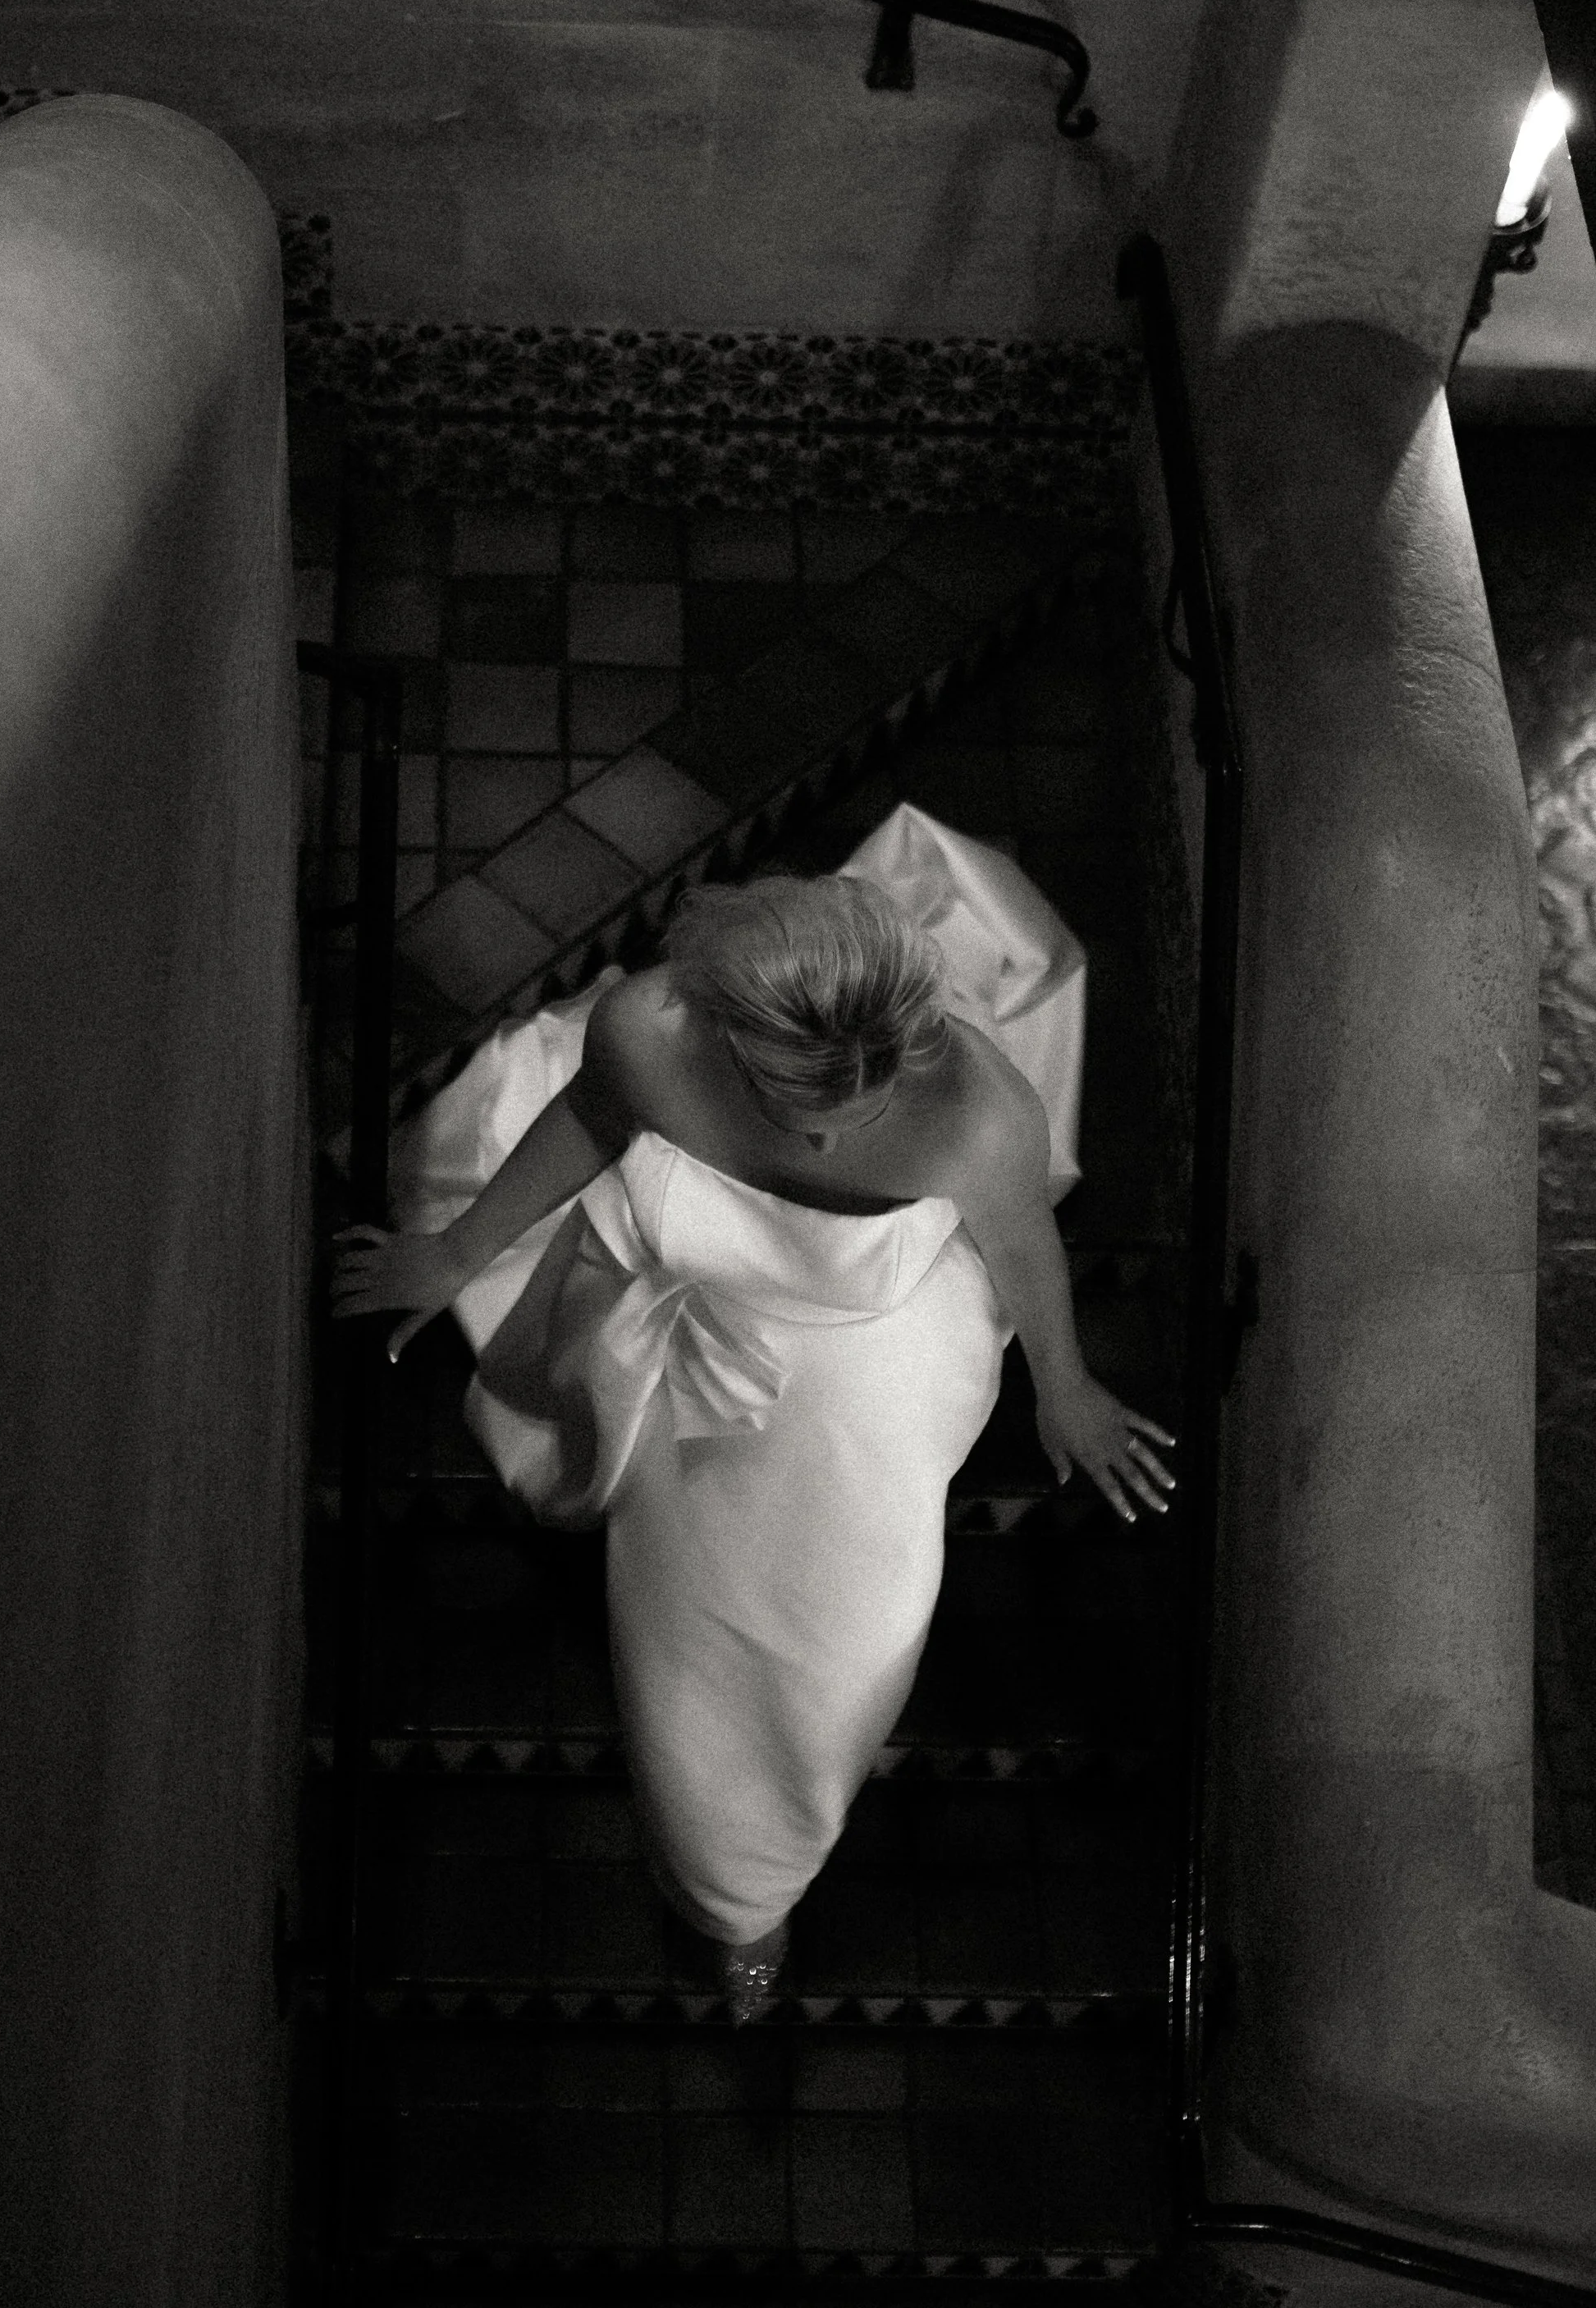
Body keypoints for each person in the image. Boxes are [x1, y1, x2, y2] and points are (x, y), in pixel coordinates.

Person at [331, 804, 1176, 2018]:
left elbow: (1020, 1236)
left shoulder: (973, 1110)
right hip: (695, 1341)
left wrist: (1069, 1383)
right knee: (687, 1638)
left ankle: (762, 1872)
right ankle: (734, 1889)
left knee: (849, 1639)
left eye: (865, 1098)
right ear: (728, 1045)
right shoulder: (647, 1031)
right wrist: (457, 1251)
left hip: (869, 1377)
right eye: (807, 1108)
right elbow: (586, 1122)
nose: (836, 1133)